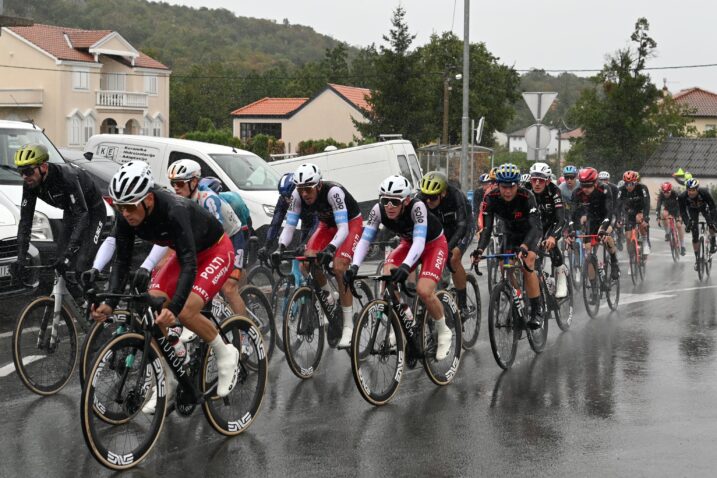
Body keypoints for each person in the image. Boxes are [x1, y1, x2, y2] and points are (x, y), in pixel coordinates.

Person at [91, 162, 239, 399]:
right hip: (184, 254)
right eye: (120, 207)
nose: (125, 213)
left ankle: (225, 352)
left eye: (129, 206)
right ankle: (170, 375)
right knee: (152, 306)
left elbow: (190, 263)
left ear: (148, 199)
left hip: (215, 251)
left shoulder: (174, 209)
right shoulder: (125, 217)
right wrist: (109, 301)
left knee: (186, 311)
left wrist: (176, 307)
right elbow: (121, 261)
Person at [345, 175, 453, 359]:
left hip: (433, 245)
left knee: (424, 290)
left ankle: (444, 331)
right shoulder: (378, 211)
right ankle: (406, 319)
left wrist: (405, 266)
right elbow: (365, 239)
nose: (389, 206)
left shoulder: (417, 207)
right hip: (408, 243)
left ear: (406, 200)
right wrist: (354, 266)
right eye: (385, 200)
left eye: (395, 202)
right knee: (387, 277)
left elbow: (420, 242)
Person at [271, 163, 363, 348]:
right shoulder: (297, 196)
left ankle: (348, 326)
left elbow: (343, 228)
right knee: (306, 263)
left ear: (319, 185)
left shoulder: (333, 192)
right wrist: (279, 247)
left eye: (308, 188)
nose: (304, 193)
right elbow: (289, 226)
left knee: (339, 266)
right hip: (326, 225)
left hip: (350, 224)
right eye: (301, 189)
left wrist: (331, 248)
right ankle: (329, 297)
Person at [11, 144, 107, 287]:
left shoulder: (66, 176)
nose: (25, 176)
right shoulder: (30, 184)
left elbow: (83, 215)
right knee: (59, 263)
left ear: (43, 167)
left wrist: (69, 253)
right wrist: (21, 258)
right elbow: (25, 222)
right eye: (21, 172)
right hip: (72, 212)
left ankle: (100, 304)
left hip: (93, 211)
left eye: (28, 171)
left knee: (81, 266)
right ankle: (71, 304)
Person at [167, 159, 247, 317]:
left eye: (180, 184)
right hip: (208, 242)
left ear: (194, 182)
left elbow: (214, 232)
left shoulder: (208, 198)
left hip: (231, 237)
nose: (176, 188)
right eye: (173, 183)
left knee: (229, 288)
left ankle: (247, 334)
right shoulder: (179, 200)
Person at [472, 163, 544, 329]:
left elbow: (534, 226)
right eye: (504, 186)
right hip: (510, 233)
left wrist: (525, 246)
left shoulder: (527, 196)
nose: (508, 191)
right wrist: (480, 249)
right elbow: (487, 228)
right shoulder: (491, 197)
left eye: (511, 187)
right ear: (498, 185)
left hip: (530, 232)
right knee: (505, 266)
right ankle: (517, 297)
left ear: (517, 185)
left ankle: (536, 310)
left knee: (528, 264)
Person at [418, 171, 474, 320]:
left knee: (453, 258)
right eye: (426, 197)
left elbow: (463, 226)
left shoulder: (456, 196)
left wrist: (447, 249)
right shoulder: (420, 199)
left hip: (461, 228)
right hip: (439, 231)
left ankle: (462, 305)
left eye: (433, 197)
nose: (428, 201)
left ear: (443, 193)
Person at [525, 162, 568, 298]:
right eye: (534, 180)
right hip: (534, 225)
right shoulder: (525, 190)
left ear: (548, 180)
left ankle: (561, 276)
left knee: (550, 245)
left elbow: (561, 218)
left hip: (551, 223)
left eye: (541, 180)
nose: (537, 183)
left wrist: (553, 237)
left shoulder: (554, 191)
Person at [568, 167, 620, 279]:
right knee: (588, 251)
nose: (585, 189)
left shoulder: (604, 189)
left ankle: (614, 261)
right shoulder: (577, 192)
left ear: (595, 182)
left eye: (589, 185)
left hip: (607, 216)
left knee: (606, 236)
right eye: (583, 185)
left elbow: (609, 212)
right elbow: (572, 215)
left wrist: (603, 229)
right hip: (592, 219)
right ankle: (593, 286)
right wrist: (571, 230)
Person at [258, 172, 317, 261]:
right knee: (301, 260)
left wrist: (305, 243)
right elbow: (276, 223)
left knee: (311, 255)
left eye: (290, 196)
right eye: (284, 196)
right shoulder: (283, 199)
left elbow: (317, 223)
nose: (288, 200)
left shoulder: (307, 196)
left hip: (319, 222)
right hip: (307, 223)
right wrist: (267, 245)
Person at [678, 178, 717, 269]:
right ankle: (697, 260)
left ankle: (713, 240)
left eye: (693, 190)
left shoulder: (704, 193)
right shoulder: (682, 197)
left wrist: (713, 222)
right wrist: (687, 223)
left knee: (711, 225)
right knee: (694, 234)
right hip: (692, 210)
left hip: (705, 208)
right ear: (687, 189)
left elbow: (712, 207)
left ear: (697, 189)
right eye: (689, 190)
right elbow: (683, 212)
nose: (691, 192)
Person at [616, 170, 651, 255]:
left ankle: (645, 242)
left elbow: (647, 203)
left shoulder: (642, 188)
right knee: (628, 237)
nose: (628, 186)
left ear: (635, 182)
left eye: (631, 184)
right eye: (626, 184)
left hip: (640, 209)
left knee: (640, 219)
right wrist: (619, 219)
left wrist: (646, 218)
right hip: (628, 211)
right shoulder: (621, 190)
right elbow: (618, 206)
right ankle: (632, 257)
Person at [656, 181, 686, 255]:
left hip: (677, 210)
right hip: (668, 210)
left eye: (668, 192)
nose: (666, 194)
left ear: (671, 190)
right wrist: (658, 217)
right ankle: (667, 233)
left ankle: (682, 246)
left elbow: (680, 206)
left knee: (679, 226)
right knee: (663, 214)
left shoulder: (675, 194)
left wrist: (679, 217)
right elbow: (658, 206)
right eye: (664, 192)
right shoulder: (661, 195)